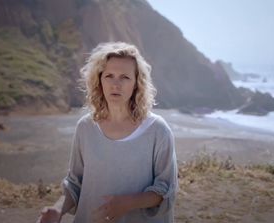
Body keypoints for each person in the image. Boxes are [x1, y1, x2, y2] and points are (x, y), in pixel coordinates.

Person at [37, 42, 178, 223]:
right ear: (99, 80)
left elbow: (166, 188)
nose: (115, 84)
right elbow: (74, 184)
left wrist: (127, 203)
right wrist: (57, 210)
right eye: (109, 76)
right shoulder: (86, 128)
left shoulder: (158, 130)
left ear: (137, 83)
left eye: (125, 77)